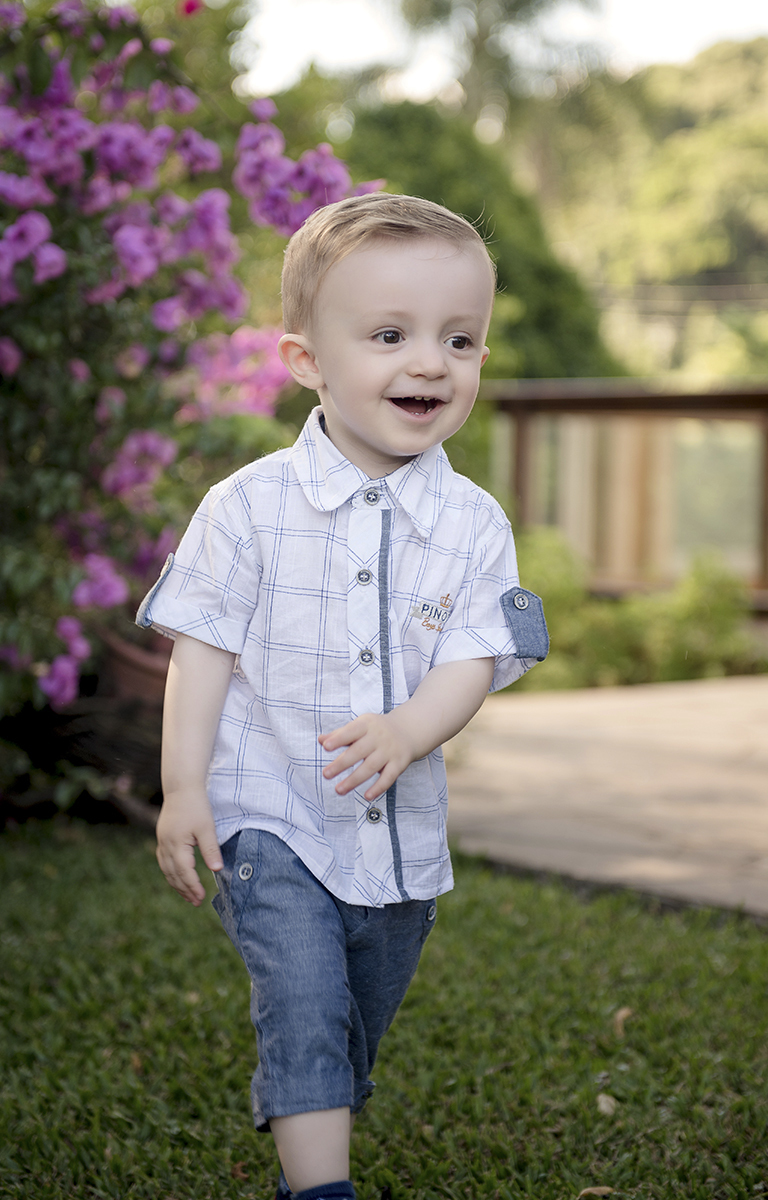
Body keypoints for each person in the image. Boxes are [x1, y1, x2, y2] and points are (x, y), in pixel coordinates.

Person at [136, 192, 548, 1200]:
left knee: (358, 1014)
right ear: (306, 361)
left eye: (459, 339)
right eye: (389, 335)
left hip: (397, 840)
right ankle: (317, 1188)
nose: (429, 363)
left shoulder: (470, 520)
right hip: (266, 811)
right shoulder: (246, 509)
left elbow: (474, 651)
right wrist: (183, 788)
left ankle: (321, 1096)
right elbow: (201, 653)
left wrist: (413, 727)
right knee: (306, 1003)